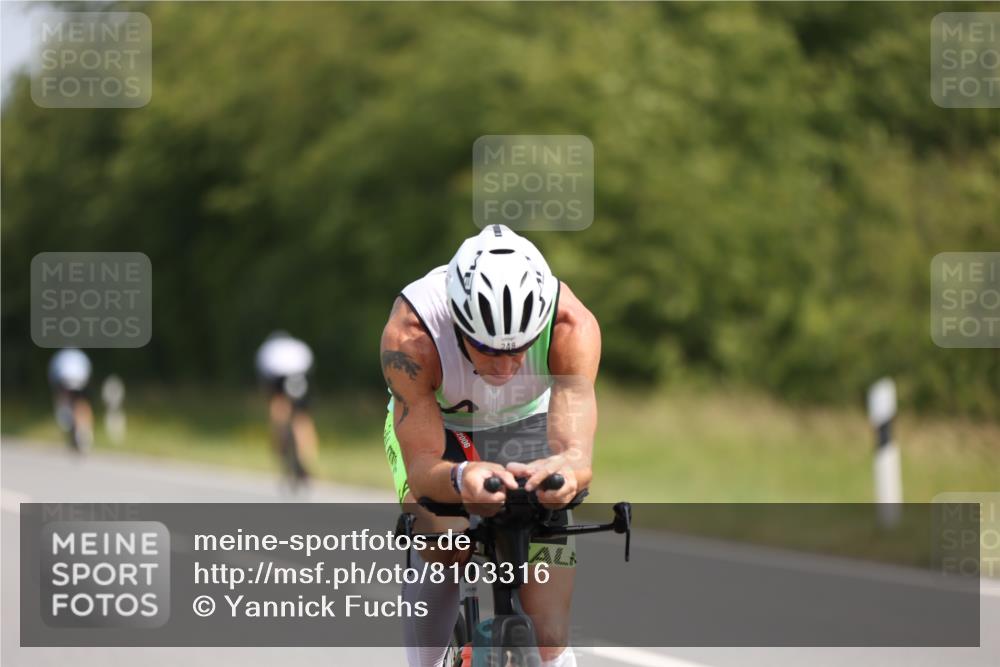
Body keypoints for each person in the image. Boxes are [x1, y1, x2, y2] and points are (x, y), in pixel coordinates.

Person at [380, 224, 600, 667]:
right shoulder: (412, 335)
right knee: (444, 543)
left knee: (549, 635)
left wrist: (564, 475)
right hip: (441, 430)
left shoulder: (570, 325)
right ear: (458, 325)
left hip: (528, 422)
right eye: (487, 349)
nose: (505, 366)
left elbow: (576, 455)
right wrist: (461, 477)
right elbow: (423, 466)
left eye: (519, 349)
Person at [255, 331, 319, 485]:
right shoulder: (297, 346)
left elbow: (265, 382)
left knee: (278, 409)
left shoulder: (267, 349)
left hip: (277, 376)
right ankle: (306, 458)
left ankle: (281, 444)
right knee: (302, 418)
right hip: (300, 374)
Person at [48, 348, 94, 453]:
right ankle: (85, 430)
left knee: (63, 400)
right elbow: (88, 371)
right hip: (81, 380)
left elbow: (53, 376)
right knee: (82, 402)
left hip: (64, 380)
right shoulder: (80, 355)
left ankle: (65, 419)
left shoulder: (60, 356)